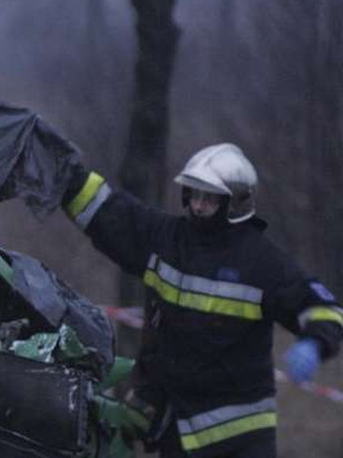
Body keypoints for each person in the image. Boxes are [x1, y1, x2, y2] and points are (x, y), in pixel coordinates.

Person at [62, 143, 342, 458]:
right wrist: (64, 175)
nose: (198, 205)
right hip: (179, 427)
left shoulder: (263, 263)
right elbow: (112, 216)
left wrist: (315, 343)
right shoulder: (166, 239)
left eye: (209, 199)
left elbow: (321, 306)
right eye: (194, 194)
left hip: (241, 436)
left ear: (234, 203)